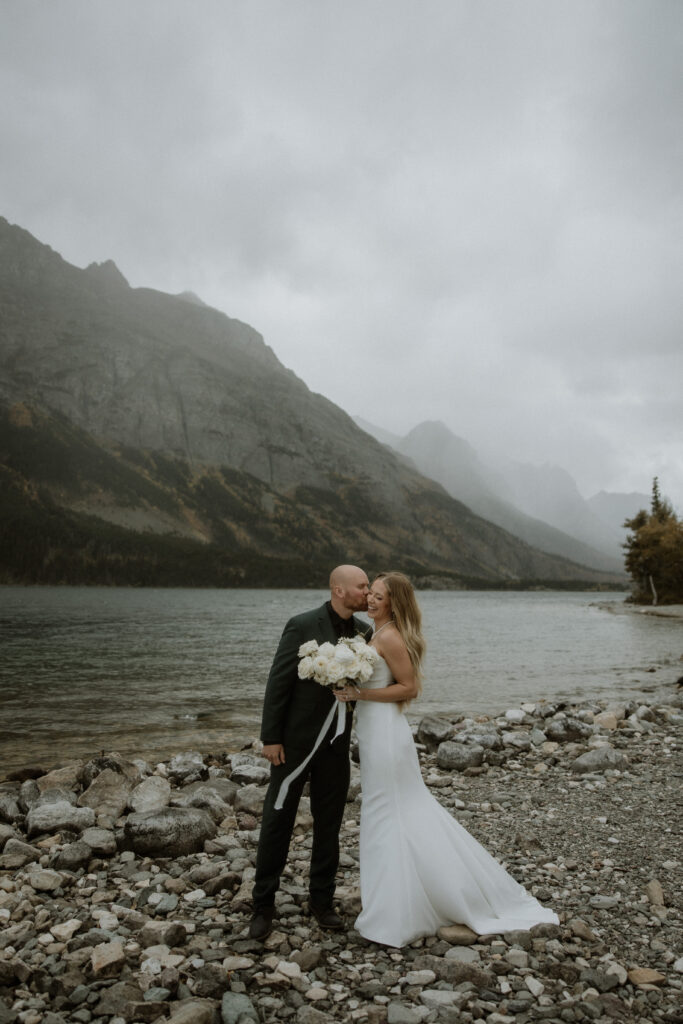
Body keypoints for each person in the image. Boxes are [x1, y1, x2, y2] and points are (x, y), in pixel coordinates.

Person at [335, 571, 559, 948]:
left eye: (378, 596)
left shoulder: (389, 637)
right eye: (369, 593)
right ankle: (400, 896)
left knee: (387, 809)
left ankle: (397, 910)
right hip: (373, 731)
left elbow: (409, 687)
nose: (370, 599)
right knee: (388, 809)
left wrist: (361, 695)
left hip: (386, 733)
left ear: (394, 603)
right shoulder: (376, 632)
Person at [249, 564, 371, 941]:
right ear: (338, 590)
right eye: (361, 586)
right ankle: (262, 905)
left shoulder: (365, 633)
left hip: (336, 746)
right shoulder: (302, 625)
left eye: (369, 586)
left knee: (329, 823)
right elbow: (279, 681)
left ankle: (322, 900)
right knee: (278, 820)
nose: (367, 592)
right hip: (294, 744)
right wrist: (271, 737)